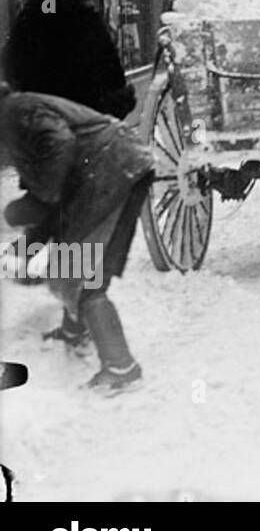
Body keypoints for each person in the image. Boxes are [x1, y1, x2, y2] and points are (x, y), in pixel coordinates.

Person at [0, 81, 154, 394]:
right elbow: (48, 175)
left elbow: (59, 144)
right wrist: (31, 243)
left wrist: (39, 203)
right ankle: (75, 331)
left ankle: (121, 368)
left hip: (109, 169)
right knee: (70, 261)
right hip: (107, 167)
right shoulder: (15, 111)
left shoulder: (15, 112)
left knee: (77, 272)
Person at [1, 0, 136, 119]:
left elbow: (12, 59)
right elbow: (107, 57)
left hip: (42, 109)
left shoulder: (36, 11)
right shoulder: (83, 10)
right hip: (87, 107)